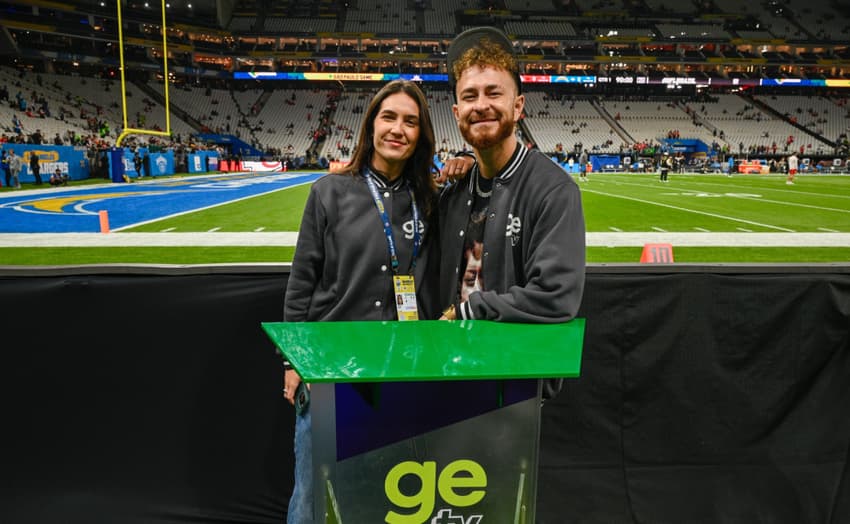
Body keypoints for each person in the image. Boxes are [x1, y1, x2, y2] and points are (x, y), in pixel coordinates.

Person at [281, 79, 471, 523]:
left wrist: (466, 164)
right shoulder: (329, 192)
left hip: (399, 369)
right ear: (371, 124)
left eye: (410, 121)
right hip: (331, 368)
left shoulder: (431, 196)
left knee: (382, 499)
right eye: (389, 117)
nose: (398, 129)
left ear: (421, 134)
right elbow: (302, 279)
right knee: (311, 499)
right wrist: (291, 360)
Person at [438, 26, 586, 400]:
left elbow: (556, 296)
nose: (481, 105)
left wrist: (469, 311)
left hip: (514, 384)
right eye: (469, 96)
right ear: (457, 113)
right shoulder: (455, 190)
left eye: (493, 93)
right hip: (447, 370)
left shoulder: (553, 189)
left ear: (518, 106)